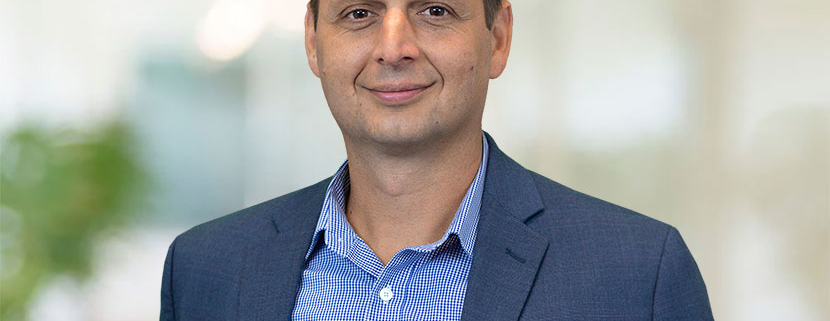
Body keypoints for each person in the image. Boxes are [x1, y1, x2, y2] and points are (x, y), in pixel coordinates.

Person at [160, 0, 714, 319]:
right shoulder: (207, 272)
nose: (394, 45)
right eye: (358, 12)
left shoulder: (638, 276)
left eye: (434, 10)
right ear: (312, 41)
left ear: (497, 38)